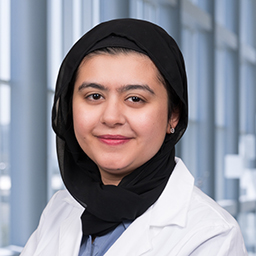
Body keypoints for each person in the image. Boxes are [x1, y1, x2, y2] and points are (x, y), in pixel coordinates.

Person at [20, 18, 247, 256]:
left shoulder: (212, 236)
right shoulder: (60, 208)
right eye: (94, 96)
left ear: (173, 115)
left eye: (135, 99)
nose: (111, 117)